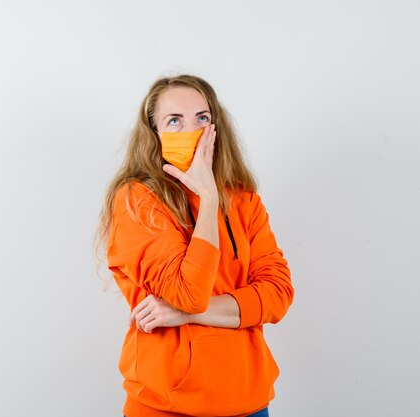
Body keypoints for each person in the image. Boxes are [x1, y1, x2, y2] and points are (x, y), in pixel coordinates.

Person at [96, 75, 294, 417]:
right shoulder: (136, 200)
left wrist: (184, 315)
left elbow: (277, 295)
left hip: (248, 401)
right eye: (175, 121)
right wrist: (208, 197)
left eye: (202, 118)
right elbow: (188, 292)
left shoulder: (245, 202)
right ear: (154, 135)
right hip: (165, 405)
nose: (193, 131)